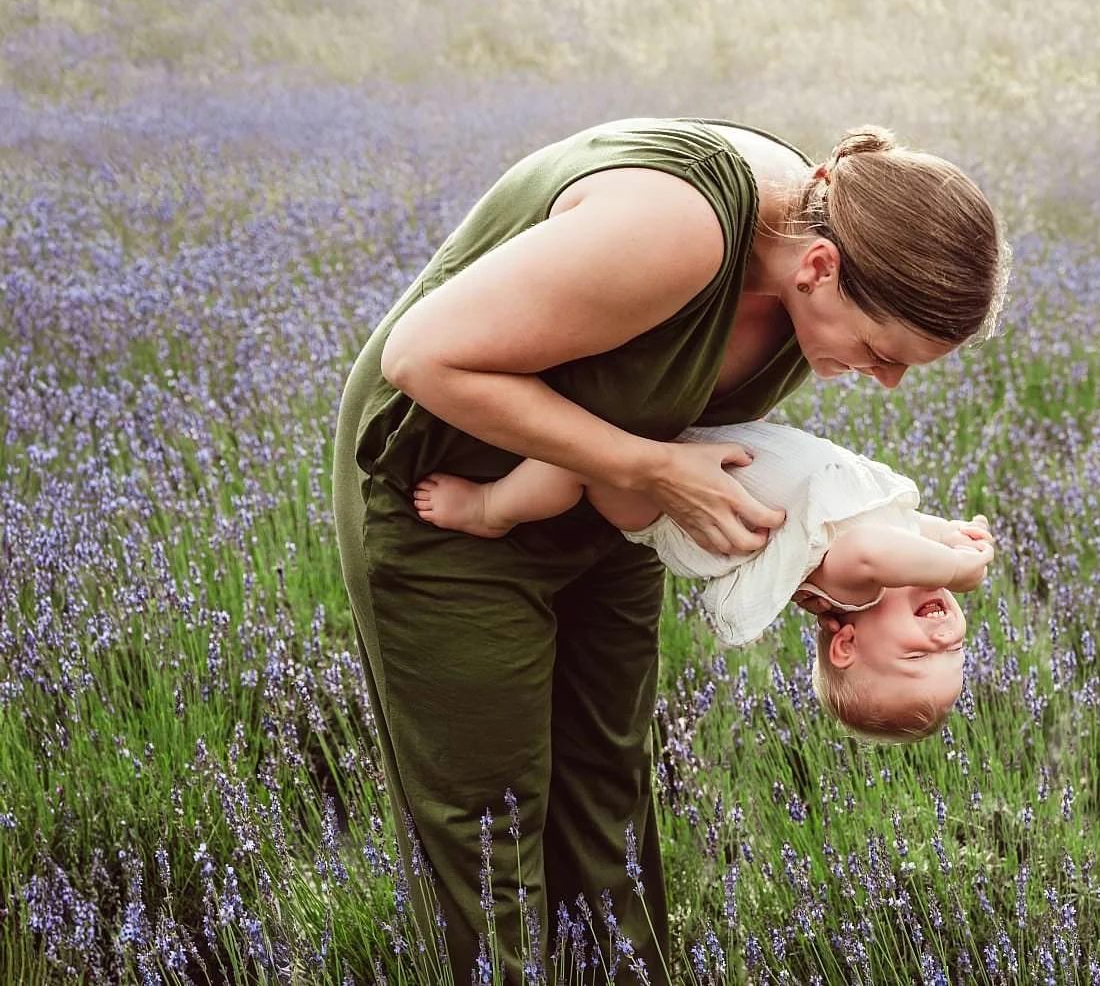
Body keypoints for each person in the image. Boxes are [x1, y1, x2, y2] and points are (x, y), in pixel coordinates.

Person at [331, 116, 1011, 984]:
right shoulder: (680, 229)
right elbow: (422, 359)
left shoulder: (825, 246)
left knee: (607, 803)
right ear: (820, 270)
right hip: (446, 493)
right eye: (882, 353)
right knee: (489, 824)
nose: (884, 382)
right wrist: (652, 466)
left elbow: (679, 419)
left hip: (610, 503)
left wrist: (793, 557)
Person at [411, 420, 995, 741]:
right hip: (697, 459)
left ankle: (490, 506)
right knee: (608, 435)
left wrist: (953, 566)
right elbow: (896, 520)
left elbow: (872, 547)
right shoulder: (896, 551)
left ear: (846, 643)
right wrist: (946, 533)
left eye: (920, 658)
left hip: (669, 510)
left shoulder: (850, 584)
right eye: (959, 649)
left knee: (583, 463)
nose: (944, 640)